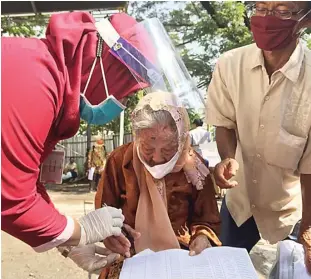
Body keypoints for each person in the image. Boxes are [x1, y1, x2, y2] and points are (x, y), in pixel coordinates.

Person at [2, 11, 152, 273]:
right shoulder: (37, 81)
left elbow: (27, 183)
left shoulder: (47, 75)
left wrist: (70, 242)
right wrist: (81, 231)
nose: (123, 104)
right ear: (102, 64)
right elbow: (12, 200)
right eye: (127, 90)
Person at [206, 1, 311, 273]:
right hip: (238, 205)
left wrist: (309, 231)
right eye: (261, 7)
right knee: (222, 271)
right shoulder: (229, 65)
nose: (267, 18)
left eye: (282, 10)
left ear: (306, 20)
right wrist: (227, 159)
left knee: (292, 272)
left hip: (289, 212)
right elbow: (224, 123)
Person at [94, 91, 221, 278]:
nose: (157, 158)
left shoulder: (195, 168)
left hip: (181, 255)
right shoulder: (119, 161)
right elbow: (103, 210)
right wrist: (112, 232)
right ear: (137, 137)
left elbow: (207, 218)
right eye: (148, 148)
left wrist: (202, 237)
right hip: (129, 256)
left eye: (168, 149)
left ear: (181, 140)